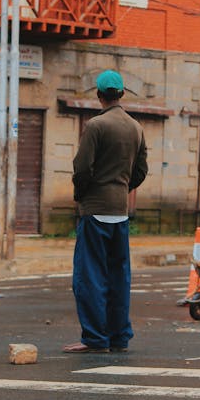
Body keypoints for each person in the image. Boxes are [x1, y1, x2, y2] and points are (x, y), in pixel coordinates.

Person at [63, 70, 148, 353]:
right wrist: (122, 188)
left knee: (89, 277)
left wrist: (82, 195)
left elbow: (82, 168)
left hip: (95, 211)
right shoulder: (136, 128)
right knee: (118, 277)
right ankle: (119, 337)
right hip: (120, 211)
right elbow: (140, 171)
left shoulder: (96, 126)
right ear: (121, 94)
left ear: (99, 95)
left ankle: (95, 338)